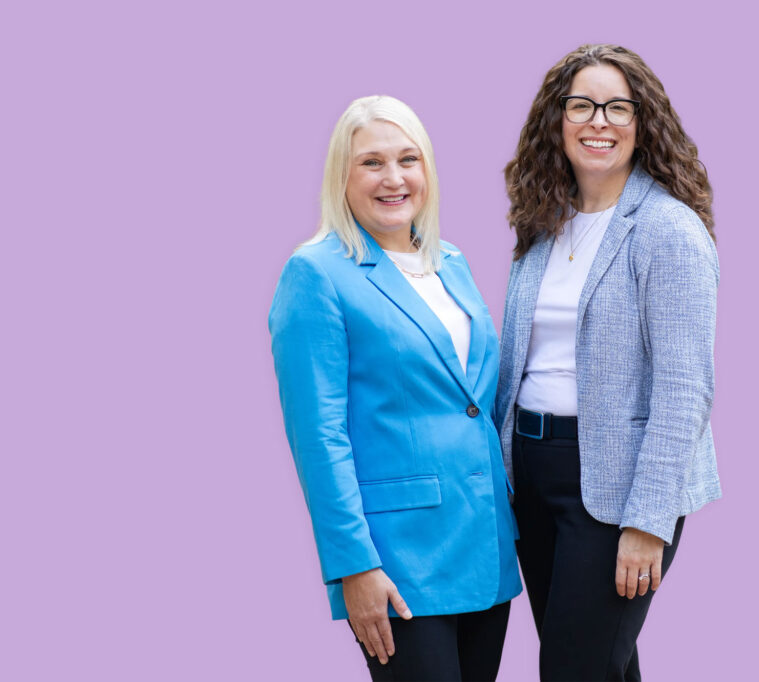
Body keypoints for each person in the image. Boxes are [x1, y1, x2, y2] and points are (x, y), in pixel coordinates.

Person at [269, 95, 521, 682]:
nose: (394, 178)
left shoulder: (450, 261)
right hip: (399, 558)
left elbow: (472, 401)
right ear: (342, 176)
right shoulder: (316, 275)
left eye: (408, 159)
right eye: (371, 163)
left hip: (484, 541)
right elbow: (318, 436)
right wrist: (353, 564)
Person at [497, 44, 722, 681]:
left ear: (642, 122)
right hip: (534, 478)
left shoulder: (667, 229)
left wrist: (648, 523)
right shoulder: (543, 222)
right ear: (557, 121)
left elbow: (685, 388)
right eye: (582, 106)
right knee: (604, 666)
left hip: (619, 487)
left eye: (618, 107)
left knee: (573, 669)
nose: (599, 121)